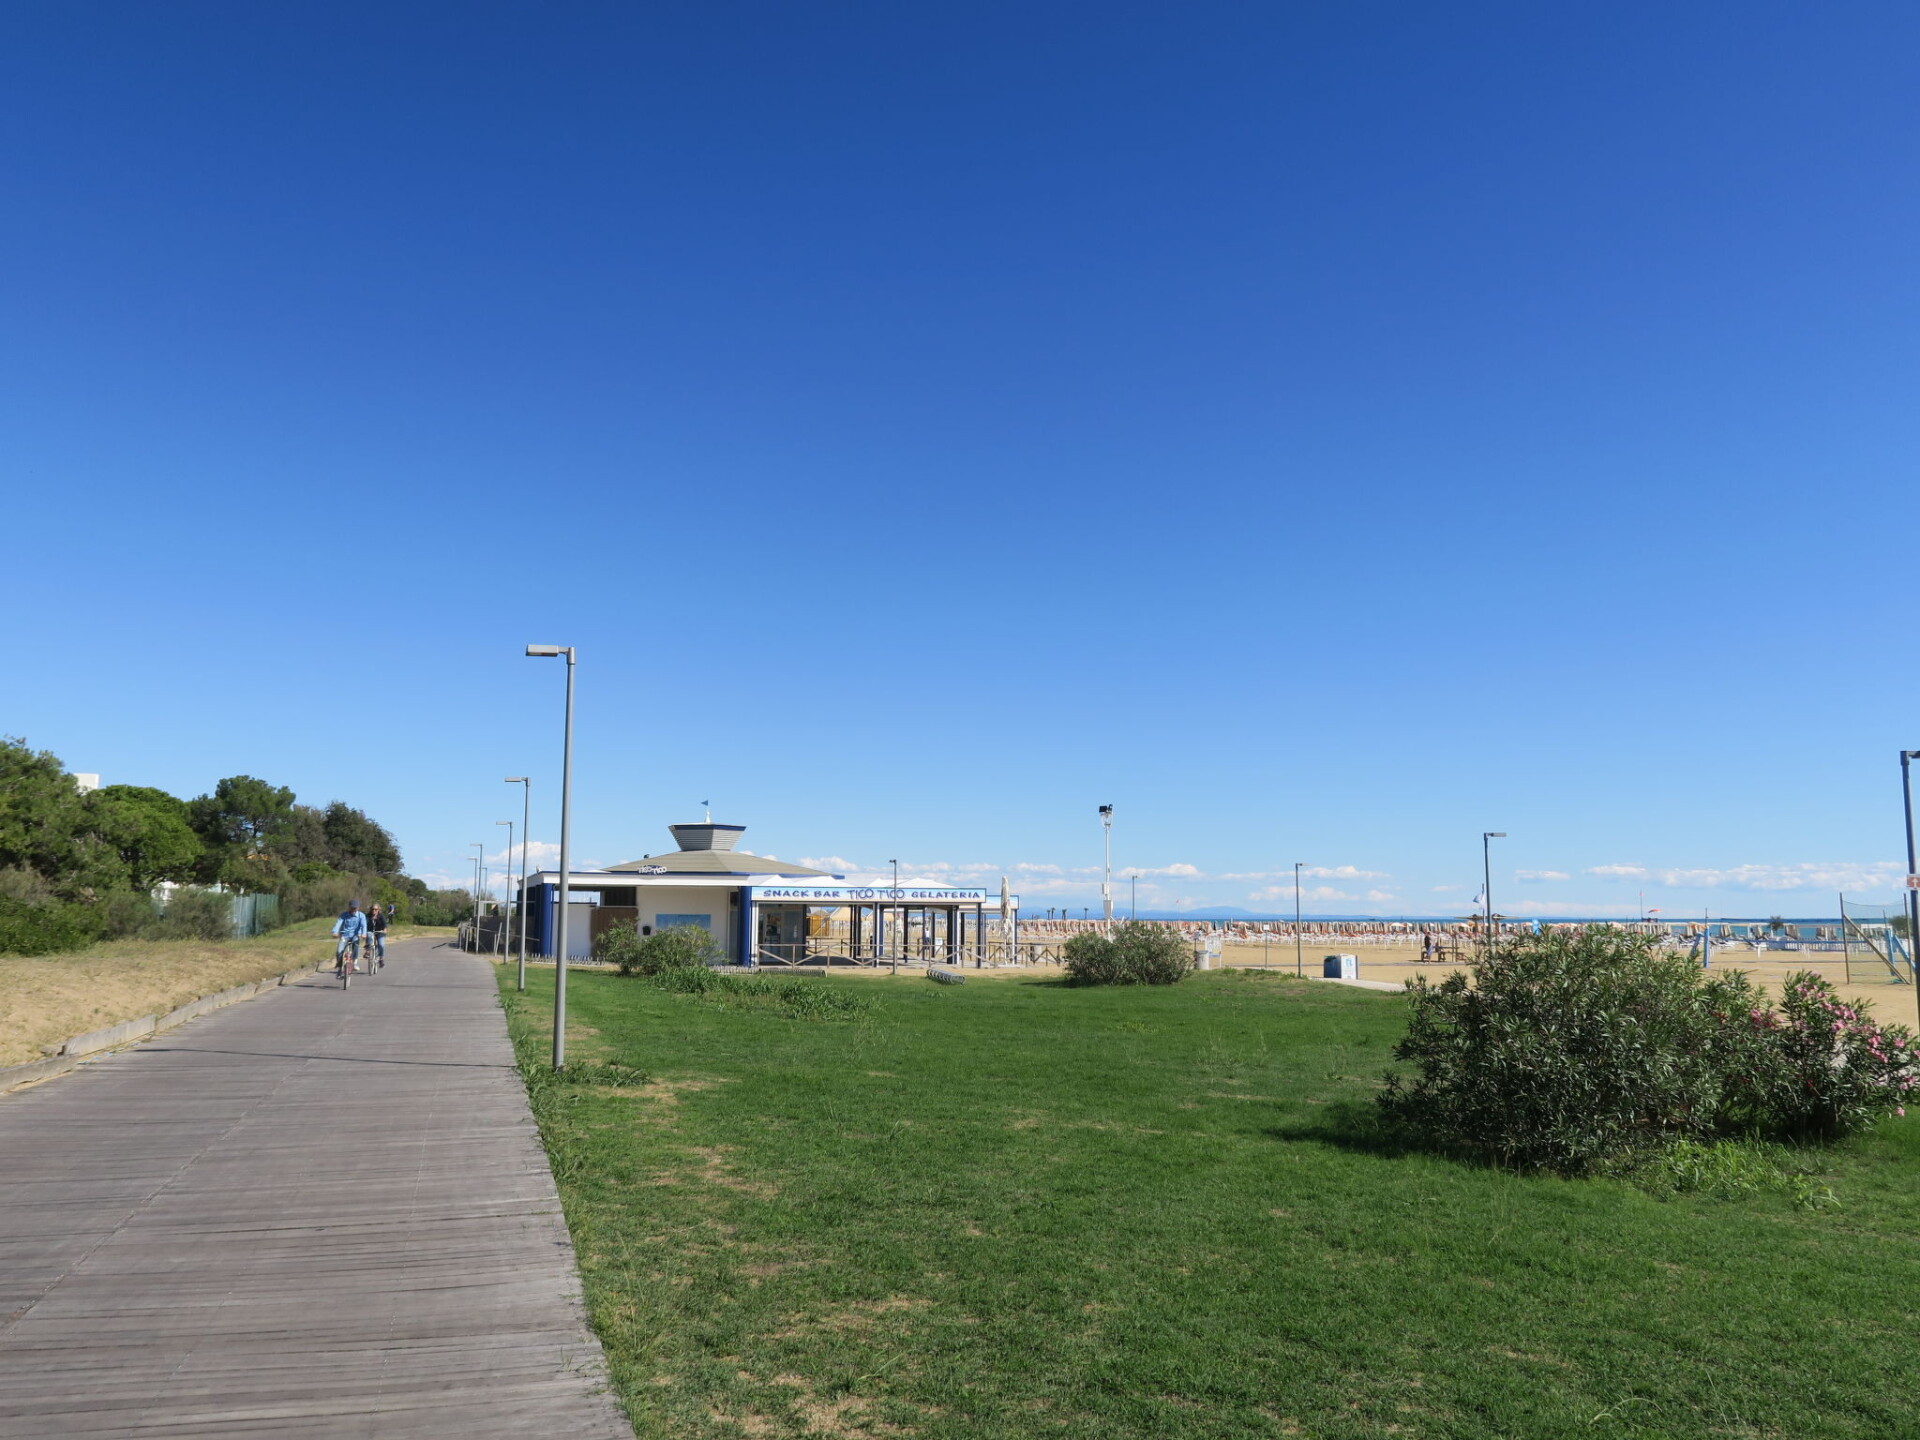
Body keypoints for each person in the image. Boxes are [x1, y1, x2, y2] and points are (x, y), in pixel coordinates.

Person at [332, 901, 369, 977]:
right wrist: (335, 932)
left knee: (356, 944)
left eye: (355, 908)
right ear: (349, 907)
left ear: (358, 908)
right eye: (352, 907)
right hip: (344, 936)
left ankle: (355, 963)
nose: (353, 909)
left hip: (355, 935)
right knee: (339, 951)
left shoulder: (361, 915)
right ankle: (339, 968)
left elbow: (364, 925)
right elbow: (338, 923)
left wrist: (364, 934)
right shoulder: (344, 915)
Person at [367, 903, 389, 968]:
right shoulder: (368, 916)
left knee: (381, 944)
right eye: (372, 909)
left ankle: (381, 959)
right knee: (369, 936)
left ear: (378, 910)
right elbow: (364, 923)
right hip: (371, 931)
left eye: (376, 909)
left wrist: (384, 929)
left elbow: (384, 924)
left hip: (380, 932)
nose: (374, 910)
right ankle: (367, 951)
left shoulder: (381, 916)